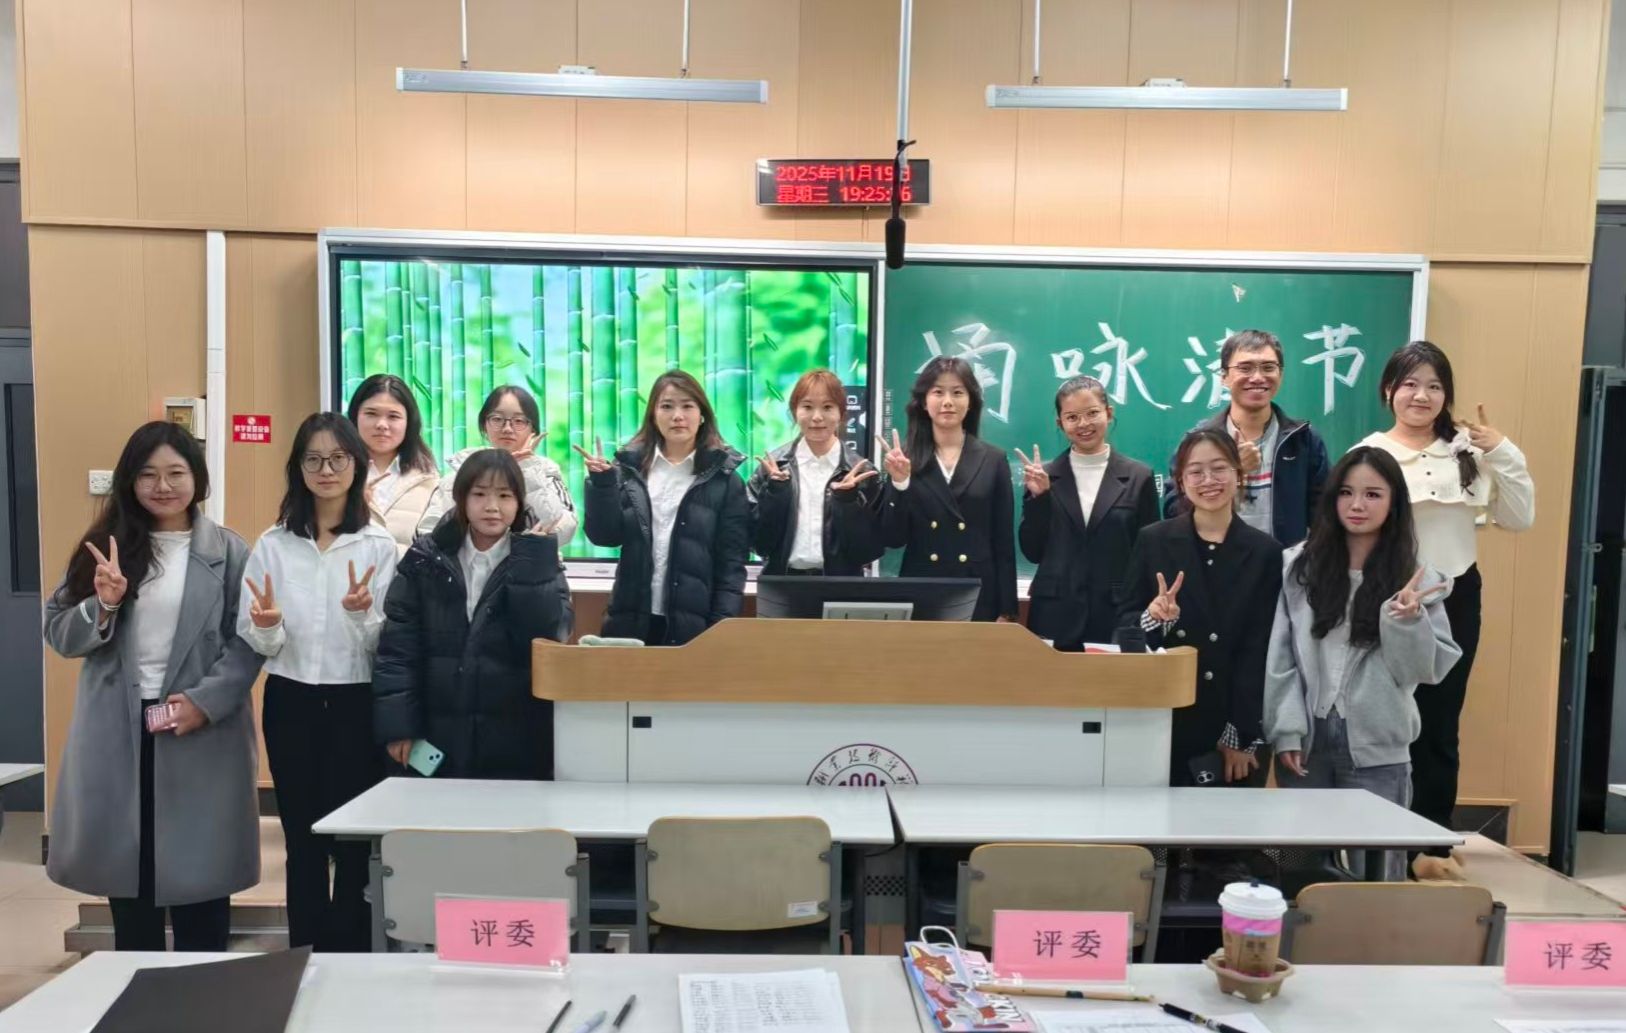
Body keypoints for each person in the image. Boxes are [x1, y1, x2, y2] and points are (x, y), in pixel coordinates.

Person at [43, 422, 262, 951]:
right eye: (147, 475)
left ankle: (201, 989)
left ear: (197, 478)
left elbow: (249, 641)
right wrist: (104, 604)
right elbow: (59, 633)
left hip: (198, 728)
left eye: (175, 473)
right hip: (117, 730)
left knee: (202, 882)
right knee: (130, 880)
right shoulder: (106, 548)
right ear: (129, 481)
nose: (162, 486)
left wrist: (205, 702)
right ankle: (137, 985)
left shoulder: (228, 550)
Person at [1360, 340, 1535, 880]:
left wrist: (1504, 451)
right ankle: (1377, 840)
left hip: (1456, 595)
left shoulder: (1469, 452)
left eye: (1434, 386)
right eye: (1410, 384)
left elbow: (1519, 518)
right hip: (1388, 597)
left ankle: (1431, 843)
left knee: (1440, 721)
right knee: (1383, 718)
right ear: (1388, 390)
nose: (1422, 395)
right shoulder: (1369, 453)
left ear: (1446, 395)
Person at [239, 413, 398, 951]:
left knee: (353, 838)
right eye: (313, 459)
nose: (326, 470)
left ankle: (348, 953)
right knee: (301, 838)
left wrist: (360, 615)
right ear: (298, 468)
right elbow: (258, 641)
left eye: (337, 458)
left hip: (356, 702)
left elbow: (386, 645)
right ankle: (304, 952)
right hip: (291, 701)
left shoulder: (378, 546)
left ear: (357, 465)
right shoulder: (273, 544)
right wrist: (267, 626)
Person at [1264, 447, 1461, 881]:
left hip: (1379, 745)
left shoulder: (1418, 579)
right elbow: (1282, 657)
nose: (1357, 505)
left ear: (1393, 504)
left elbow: (1423, 672)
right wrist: (1286, 730)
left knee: (1378, 877)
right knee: (1300, 873)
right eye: (1346, 493)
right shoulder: (1299, 567)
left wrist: (1408, 621)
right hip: (1307, 743)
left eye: (1373, 494)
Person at [374, 450, 573, 779]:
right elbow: (398, 649)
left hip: (514, 737)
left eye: (504, 496)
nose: (492, 506)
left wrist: (532, 565)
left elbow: (550, 636)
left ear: (519, 502)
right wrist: (399, 726)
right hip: (436, 732)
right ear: (461, 498)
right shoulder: (426, 558)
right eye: (479, 494)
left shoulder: (539, 560)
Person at [1119, 428, 1284, 787]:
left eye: (1219, 468)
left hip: (1232, 721)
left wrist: (1239, 734)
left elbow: (1261, 648)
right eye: (1195, 471)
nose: (1208, 480)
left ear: (1239, 475)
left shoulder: (1266, 552)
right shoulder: (1153, 540)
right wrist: (1155, 617)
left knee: (1230, 822)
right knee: (1156, 819)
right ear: (1181, 481)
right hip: (1165, 718)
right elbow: (1125, 627)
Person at [576, 370, 749, 645]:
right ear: (653, 415)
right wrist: (602, 484)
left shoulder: (725, 480)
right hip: (630, 619)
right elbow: (605, 536)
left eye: (687, 406)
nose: (677, 416)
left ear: (702, 415)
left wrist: (719, 628)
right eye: (667, 406)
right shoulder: (630, 470)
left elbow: (731, 564)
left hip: (694, 625)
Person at [1016, 375, 1160, 650]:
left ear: (1109, 413)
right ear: (1060, 423)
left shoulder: (1138, 476)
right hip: (1054, 614)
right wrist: (1040, 498)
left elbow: (1148, 556)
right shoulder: (1043, 476)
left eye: (1092, 413)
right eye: (1072, 417)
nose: (1083, 424)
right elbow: (1032, 551)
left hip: (1115, 614)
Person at [876, 356, 1018, 622]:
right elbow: (893, 538)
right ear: (923, 401)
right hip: (922, 589)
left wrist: (1007, 609)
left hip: (977, 591)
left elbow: (1003, 542)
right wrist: (899, 483)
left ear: (971, 401)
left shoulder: (993, 459)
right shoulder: (904, 460)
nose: (948, 401)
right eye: (938, 392)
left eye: (958, 392)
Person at [1164, 329, 1330, 547]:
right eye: (1245, 368)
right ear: (1224, 376)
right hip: (1216, 563)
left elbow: (1325, 514)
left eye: (1268, 367)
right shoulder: (1196, 442)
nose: (1258, 377)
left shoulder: (1303, 440)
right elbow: (1173, 511)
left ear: (1281, 374)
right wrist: (1233, 471)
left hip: (1285, 565)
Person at [746, 368, 883, 576]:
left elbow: (869, 551)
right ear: (795, 412)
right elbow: (758, 544)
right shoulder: (773, 468)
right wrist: (776, 493)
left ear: (841, 413)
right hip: (781, 583)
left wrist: (847, 502)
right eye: (807, 407)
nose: (817, 417)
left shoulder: (862, 472)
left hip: (842, 584)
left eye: (827, 407)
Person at [417, 384, 577, 546]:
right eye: (497, 419)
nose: (507, 428)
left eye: (519, 421)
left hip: (527, 561)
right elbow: (427, 535)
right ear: (484, 425)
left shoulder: (546, 473)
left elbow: (564, 531)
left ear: (533, 429)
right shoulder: (458, 473)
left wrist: (527, 469)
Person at [347, 374, 438, 555]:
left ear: (409, 423)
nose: (382, 424)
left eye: (393, 416)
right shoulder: (334, 472)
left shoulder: (429, 480)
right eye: (371, 414)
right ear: (355, 416)